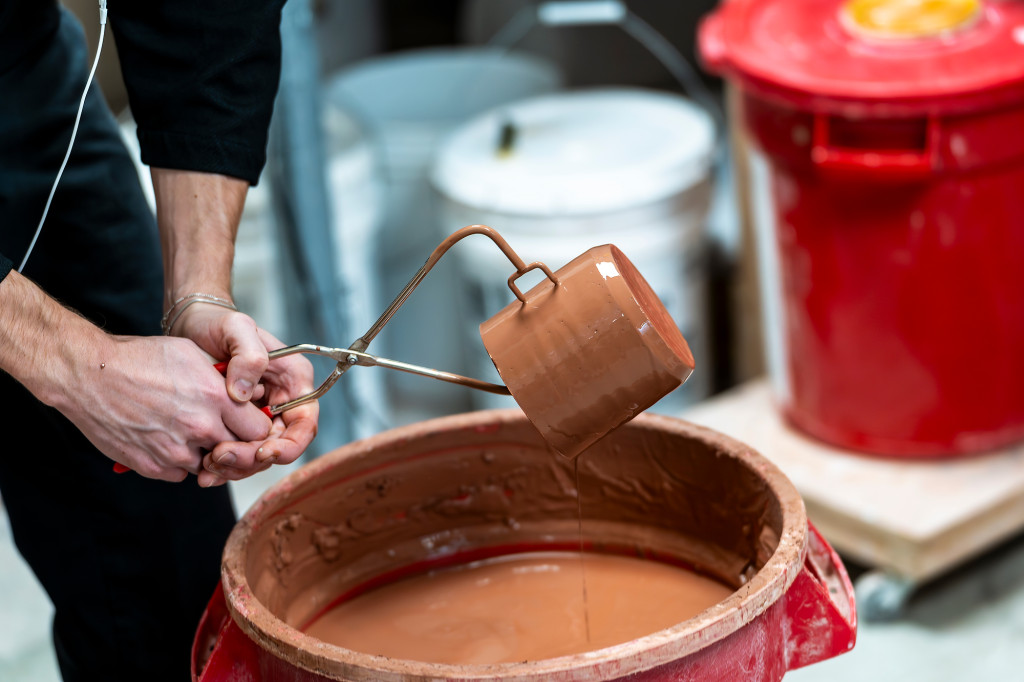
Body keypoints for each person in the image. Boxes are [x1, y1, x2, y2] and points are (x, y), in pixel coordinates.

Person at [0, 2, 318, 680]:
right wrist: (82, 367)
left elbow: (203, 17)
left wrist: (196, 294)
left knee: (163, 555)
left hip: (15, 75)